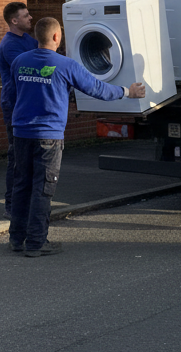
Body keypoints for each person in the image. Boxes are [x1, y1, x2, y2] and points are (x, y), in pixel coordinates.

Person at [10, 17, 146, 257]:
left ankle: (16, 238)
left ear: (37, 37)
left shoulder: (20, 61)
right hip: (48, 137)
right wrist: (128, 91)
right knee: (43, 190)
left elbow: (13, 93)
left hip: (21, 133)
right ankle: (36, 242)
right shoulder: (66, 65)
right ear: (56, 37)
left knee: (22, 186)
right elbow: (97, 89)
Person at [0, 2, 39, 220]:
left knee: (31, 157)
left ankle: (26, 203)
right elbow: (29, 69)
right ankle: (12, 206)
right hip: (15, 106)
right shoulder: (10, 45)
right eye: (26, 15)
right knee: (17, 158)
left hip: (28, 104)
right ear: (15, 21)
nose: (30, 18)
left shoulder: (27, 40)